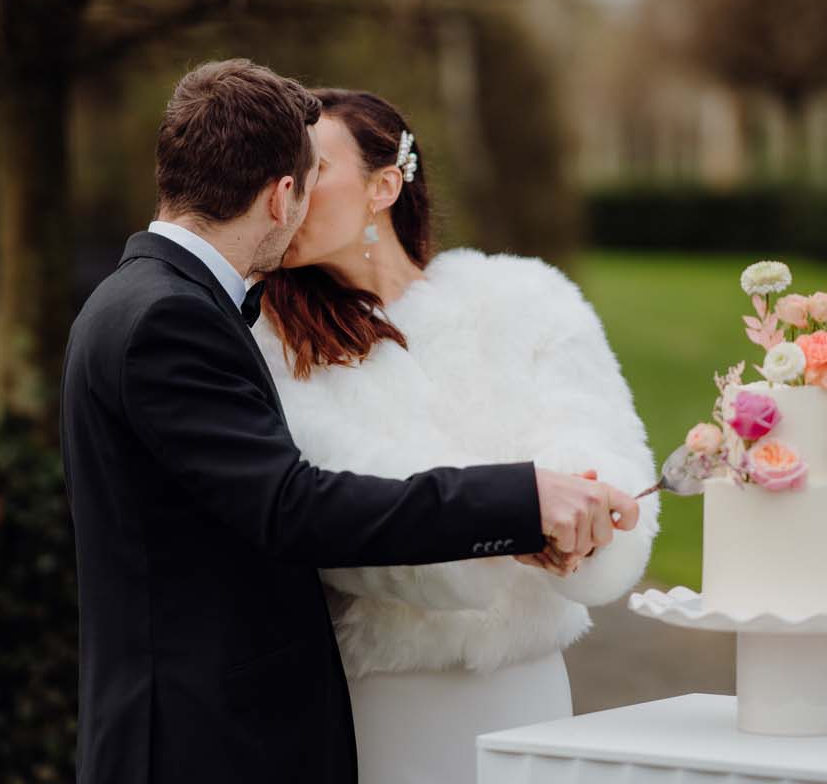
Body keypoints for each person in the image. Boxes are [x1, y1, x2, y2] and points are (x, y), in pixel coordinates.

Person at [58, 59, 639, 784]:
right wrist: (520, 503)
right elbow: (291, 505)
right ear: (281, 197)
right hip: (199, 739)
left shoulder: (143, 300)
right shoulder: (171, 317)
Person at [252, 88, 660, 783]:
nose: (287, 191)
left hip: (527, 689)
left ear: (384, 185)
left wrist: (577, 525)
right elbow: (334, 511)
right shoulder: (271, 344)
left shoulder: (526, 300)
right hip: (381, 703)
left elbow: (600, 445)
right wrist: (510, 523)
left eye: (313, 169)